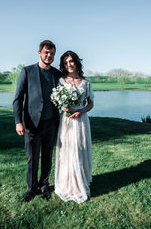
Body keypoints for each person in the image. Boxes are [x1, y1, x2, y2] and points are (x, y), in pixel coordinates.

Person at [13, 40, 62, 202]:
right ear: (39, 53)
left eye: (52, 53)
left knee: (47, 156)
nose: (49, 56)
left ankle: (44, 186)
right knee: (32, 158)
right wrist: (18, 121)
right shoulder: (27, 71)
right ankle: (31, 188)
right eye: (47, 52)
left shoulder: (57, 74)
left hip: (52, 123)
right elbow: (18, 99)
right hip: (32, 124)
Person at [54, 50, 94, 204]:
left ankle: (80, 183)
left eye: (71, 61)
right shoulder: (61, 81)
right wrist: (62, 107)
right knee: (67, 151)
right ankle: (67, 184)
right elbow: (57, 101)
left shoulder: (86, 82)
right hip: (66, 122)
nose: (69, 65)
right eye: (65, 63)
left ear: (76, 62)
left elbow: (91, 103)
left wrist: (81, 111)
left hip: (81, 121)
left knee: (79, 150)